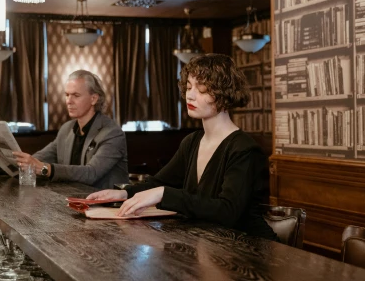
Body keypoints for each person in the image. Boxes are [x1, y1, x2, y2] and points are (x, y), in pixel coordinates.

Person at [87, 53, 276, 240]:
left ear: (224, 94)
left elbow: (227, 211)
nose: (190, 96)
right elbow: (159, 182)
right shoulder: (192, 141)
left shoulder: (244, 149)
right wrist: (123, 193)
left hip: (249, 249)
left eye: (201, 89)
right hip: (209, 244)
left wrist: (164, 194)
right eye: (188, 87)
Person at [0, 70, 128, 189]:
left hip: (107, 210)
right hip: (73, 204)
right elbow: (36, 161)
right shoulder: (66, 129)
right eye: (67, 95)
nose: (69, 101)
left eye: (76, 95)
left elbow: (91, 173)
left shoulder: (112, 133)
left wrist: (46, 169)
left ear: (94, 99)